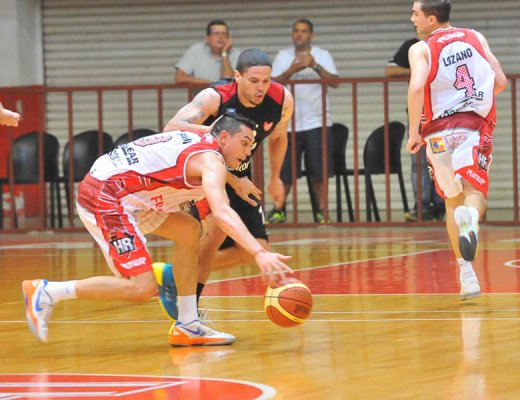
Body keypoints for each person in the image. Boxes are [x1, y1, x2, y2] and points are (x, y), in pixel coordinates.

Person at [21, 110, 293, 346]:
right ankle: (47, 292)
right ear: (223, 137)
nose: (248, 152)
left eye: (251, 145)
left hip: (131, 192)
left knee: (189, 230)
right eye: (244, 143)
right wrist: (259, 253)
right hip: (107, 195)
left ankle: (188, 325)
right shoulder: (211, 161)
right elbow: (222, 211)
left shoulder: (201, 139)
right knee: (141, 288)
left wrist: (235, 181)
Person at [162, 48, 294, 318]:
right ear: (237, 76)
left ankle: (175, 274)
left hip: (239, 175)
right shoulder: (215, 97)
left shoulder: (282, 100)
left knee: (256, 249)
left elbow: (279, 137)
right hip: (203, 172)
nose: (261, 87)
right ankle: (188, 313)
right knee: (215, 234)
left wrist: (275, 176)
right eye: (254, 81)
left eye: (266, 80)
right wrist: (212, 132)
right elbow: (171, 127)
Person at [406, 0, 507, 301]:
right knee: (474, 191)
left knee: (452, 200)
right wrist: (474, 98)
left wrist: (413, 131)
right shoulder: (476, 37)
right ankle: (471, 219)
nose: (412, 19)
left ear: (431, 19)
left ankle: (467, 278)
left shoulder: (421, 48)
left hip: (437, 133)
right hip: (472, 126)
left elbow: (416, 87)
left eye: (416, 13)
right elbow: (500, 82)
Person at [267, 18, 340, 224]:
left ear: (311, 35)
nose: (299, 34)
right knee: (285, 172)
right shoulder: (283, 56)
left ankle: (322, 212)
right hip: (288, 123)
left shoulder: (322, 55)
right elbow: (271, 84)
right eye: (296, 31)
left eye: (304, 31)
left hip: (317, 122)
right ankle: (279, 210)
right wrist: (291, 70)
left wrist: (314, 65)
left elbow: (335, 82)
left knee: (319, 171)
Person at [386, 35, 445, 221]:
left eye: (417, 20)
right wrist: (418, 69)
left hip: (445, 112)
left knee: (442, 159)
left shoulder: (447, 42)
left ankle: (443, 204)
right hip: (419, 113)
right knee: (418, 161)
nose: (415, 23)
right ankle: (422, 205)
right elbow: (390, 70)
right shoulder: (413, 45)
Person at [175, 19, 241, 85]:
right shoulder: (196, 50)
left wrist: (224, 53)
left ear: (229, 38)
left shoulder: (236, 54)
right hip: (201, 92)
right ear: (208, 38)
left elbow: (228, 84)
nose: (221, 37)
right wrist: (211, 84)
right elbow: (179, 78)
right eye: (216, 33)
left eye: (224, 34)